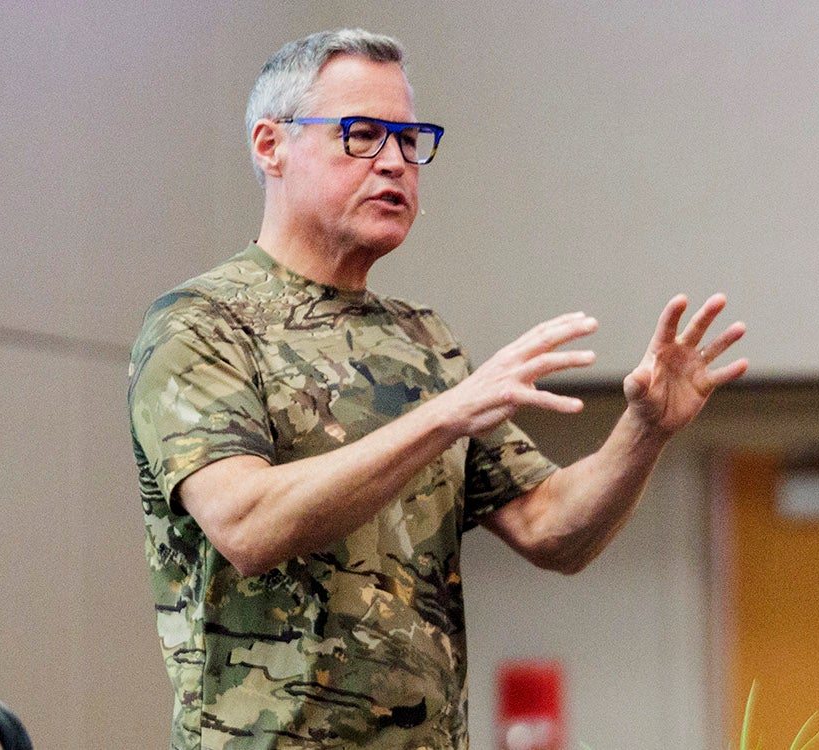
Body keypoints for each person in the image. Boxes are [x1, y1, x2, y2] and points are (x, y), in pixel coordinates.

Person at [126, 28, 746, 749]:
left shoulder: (420, 339)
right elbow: (247, 526)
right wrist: (445, 416)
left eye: (409, 139)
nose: (393, 162)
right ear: (271, 146)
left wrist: (644, 431)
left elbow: (552, 532)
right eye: (361, 135)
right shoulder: (201, 324)